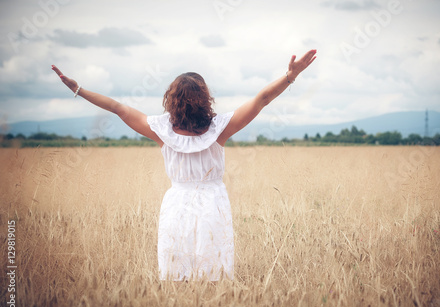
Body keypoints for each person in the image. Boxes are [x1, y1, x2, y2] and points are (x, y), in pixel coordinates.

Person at [51, 49, 317, 281]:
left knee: (176, 273)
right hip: (213, 203)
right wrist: (290, 75)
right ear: (206, 98)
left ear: (172, 99)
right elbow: (262, 99)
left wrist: (78, 89)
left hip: (176, 203)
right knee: (213, 272)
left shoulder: (160, 131)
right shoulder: (220, 129)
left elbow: (118, 108)